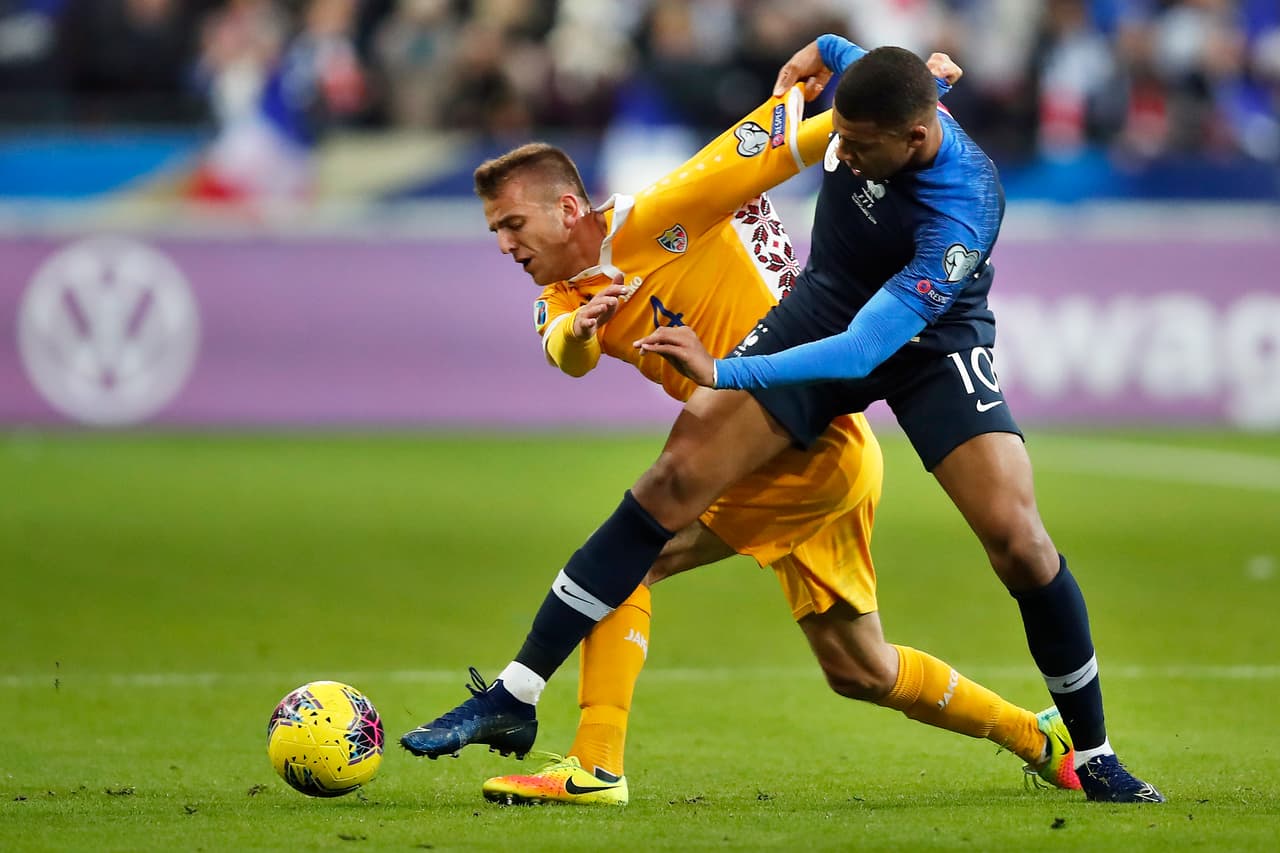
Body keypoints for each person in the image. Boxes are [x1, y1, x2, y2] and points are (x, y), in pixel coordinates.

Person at [404, 35, 1162, 805]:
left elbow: (867, 347)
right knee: (855, 665)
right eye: (840, 136)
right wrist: (819, 55)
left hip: (924, 337)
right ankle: (1039, 740)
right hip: (824, 302)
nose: (845, 155)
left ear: (915, 137)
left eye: (859, 145)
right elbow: (835, 92)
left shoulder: (965, 207)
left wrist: (723, 370)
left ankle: (1093, 751)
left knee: (1018, 542)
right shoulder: (868, 113)